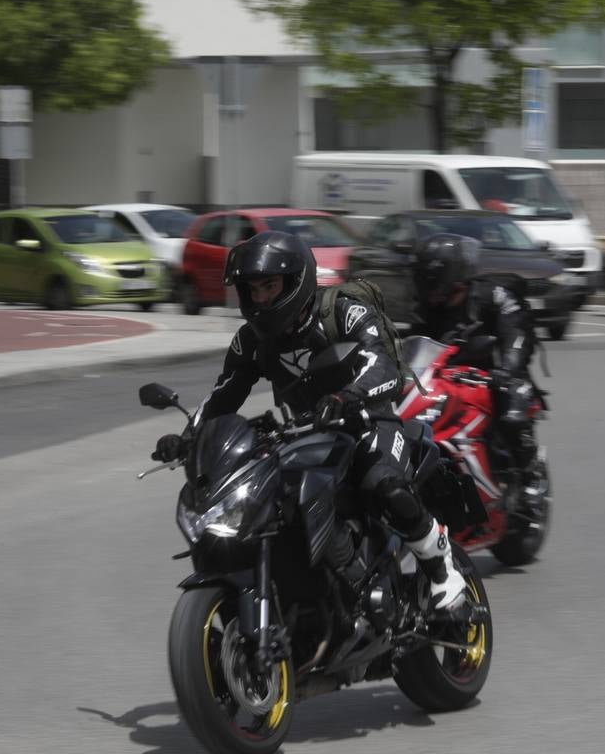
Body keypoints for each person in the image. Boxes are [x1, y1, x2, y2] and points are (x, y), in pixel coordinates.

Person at [150, 231, 467, 612]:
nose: (262, 298)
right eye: (253, 289)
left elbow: (382, 366)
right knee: (266, 502)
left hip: (368, 421)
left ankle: (439, 565)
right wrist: (189, 438)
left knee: (382, 482)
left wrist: (348, 396)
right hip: (305, 433)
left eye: (270, 286)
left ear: (297, 281)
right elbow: (224, 396)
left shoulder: (343, 310)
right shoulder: (251, 341)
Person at [407, 233, 543, 477]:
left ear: (448, 275)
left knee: (512, 410)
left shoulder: (494, 295)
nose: (423, 284)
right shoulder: (427, 309)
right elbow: (412, 346)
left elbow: (516, 331)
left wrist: (508, 369)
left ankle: (530, 472)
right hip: (446, 381)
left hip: (494, 375)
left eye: (428, 277)